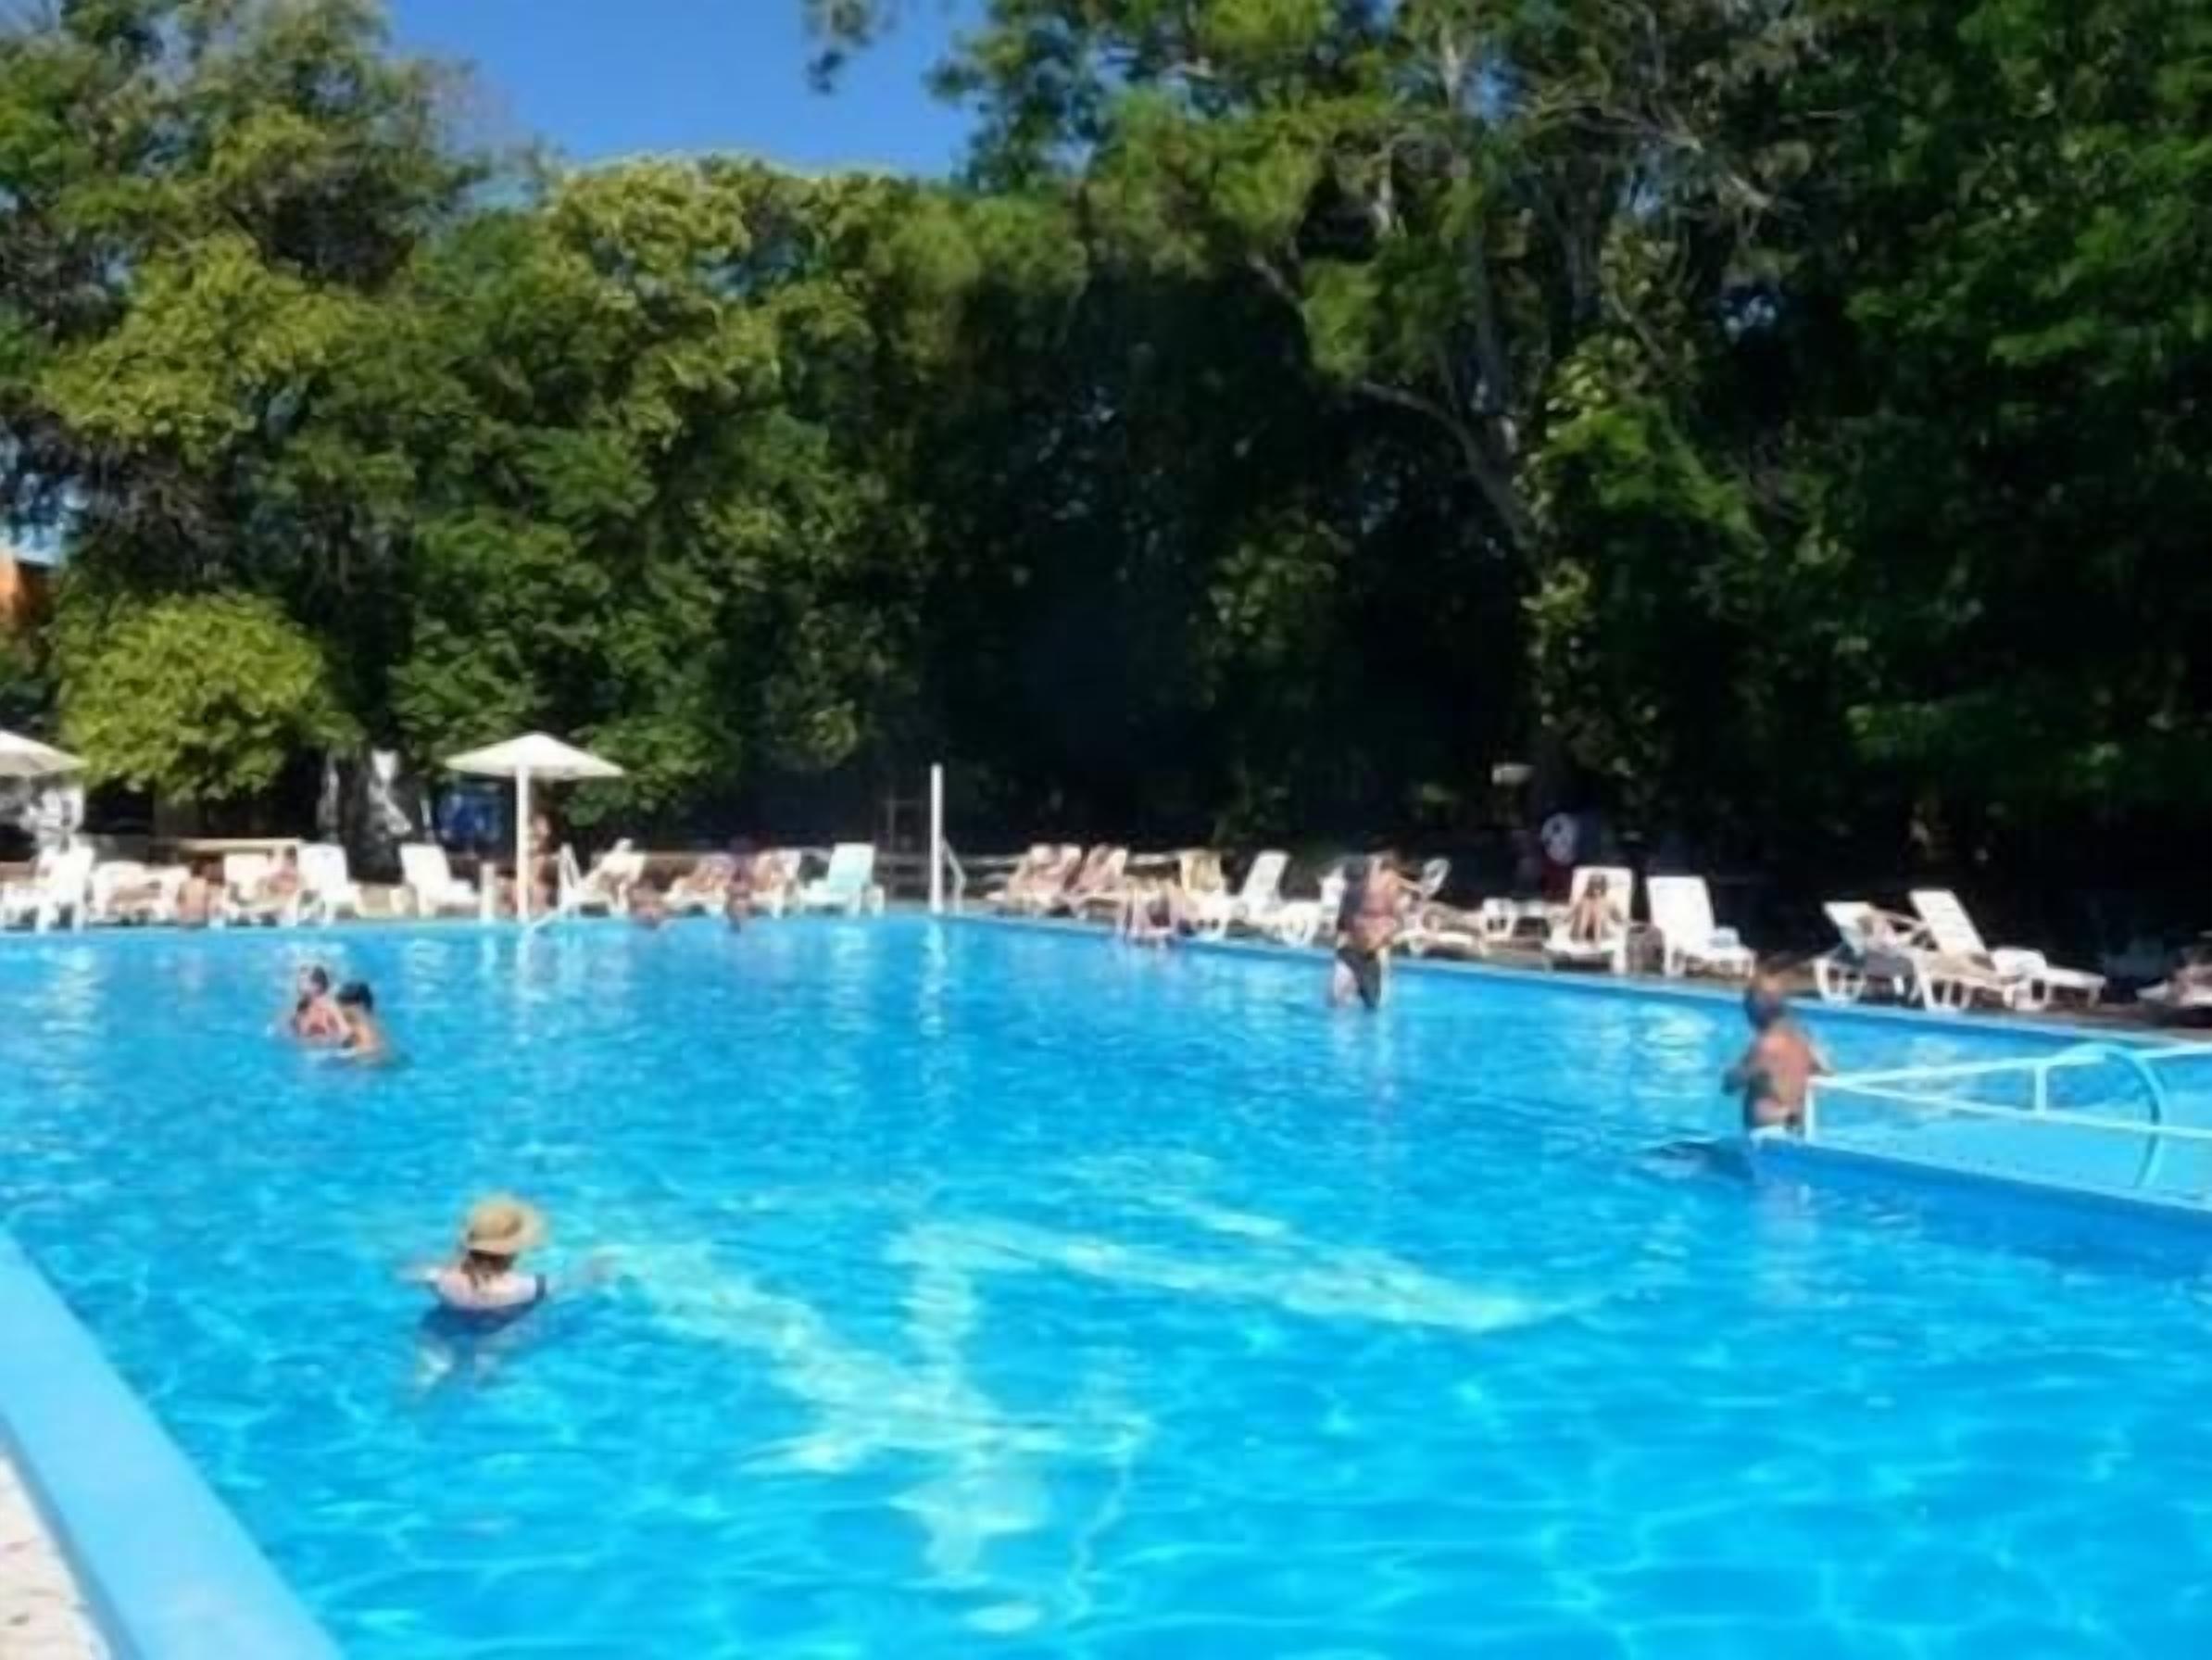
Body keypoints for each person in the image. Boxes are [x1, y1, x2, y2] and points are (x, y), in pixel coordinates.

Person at [1723, 975, 1828, 1135]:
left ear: (1754, 1009)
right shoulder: (1802, 1039)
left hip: (1767, 1136)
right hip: (1794, 1128)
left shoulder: (1765, 1047)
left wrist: (1731, 1071)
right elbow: (1826, 1073)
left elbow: (1730, 1086)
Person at [1331, 853, 1402, 1011]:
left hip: (1370, 946)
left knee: (1369, 1002)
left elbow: (1394, 915)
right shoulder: (1354, 890)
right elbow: (1343, 923)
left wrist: (1385, 934)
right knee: (1343, 1000)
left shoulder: (1387, 881)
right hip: (1358, 945)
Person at [333, 980, 388, 1063]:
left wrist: (346, 1054)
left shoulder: (367, 1028)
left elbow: (373, 1051)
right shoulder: (366, 1023)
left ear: (360, 1006)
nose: (342, 1011)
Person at [289, 965, 346, 1043]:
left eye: (303, 981)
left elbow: (345, 1032)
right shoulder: (301, 1007)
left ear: (317, 986)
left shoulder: (329, 1008)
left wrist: (327, 1040)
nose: (298, 984)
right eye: (298, 981)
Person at [1564, 873, 1622, 946]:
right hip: (1579, 939)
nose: (1596, 889)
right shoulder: (1580, 901)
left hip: (1600, 939)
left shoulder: (1610, 902)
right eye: (1593, 885)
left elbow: (1620, 920)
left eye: (1598, 886)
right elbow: (1566, 918)